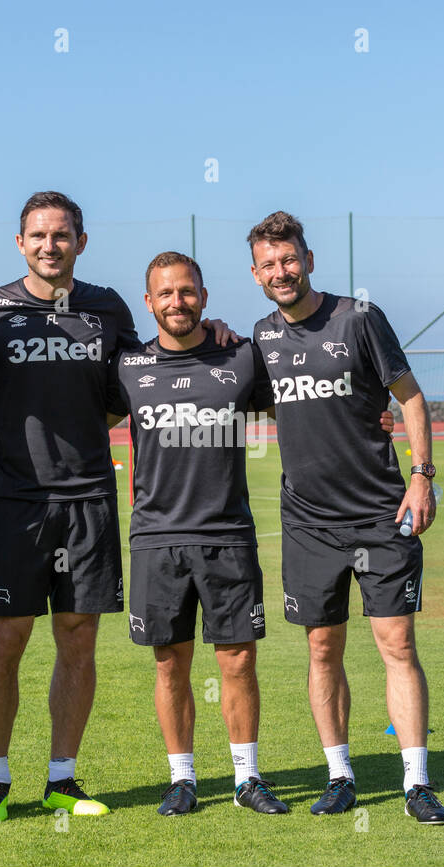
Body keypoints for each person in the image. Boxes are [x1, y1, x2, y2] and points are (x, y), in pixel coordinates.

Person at [0, 193, 233, 821]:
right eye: (37, 236)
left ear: (81, 241)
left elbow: (146, 369)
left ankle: (62, 778)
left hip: (88, 499)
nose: (49, 245)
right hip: (13, 502)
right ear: (19, 243)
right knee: (6, 637)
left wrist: (215, 334)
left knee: (78, 638)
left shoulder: (105, 307)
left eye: (61, 235)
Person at [247, 211, 444, 824]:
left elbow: (410, 397)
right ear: (255, 273)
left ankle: (416, 782)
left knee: (397, 644)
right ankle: (340, 775)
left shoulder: (360, 318)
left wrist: (422, 475)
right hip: (308, 522)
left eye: (290, 260)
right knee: (321, 648)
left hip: (380, 512)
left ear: (309, 260)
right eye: (269, 264)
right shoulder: (259, 337)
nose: (281, 272)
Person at [106, 251, 287, 816]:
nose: (177, 303)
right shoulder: (127, 367)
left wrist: (376, 412)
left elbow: (305, 401)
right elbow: (68, 410)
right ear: (149, 303)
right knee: (170, 664)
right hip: (156, 539)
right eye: (166, 294)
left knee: (238, 662)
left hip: (228, 536)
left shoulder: (241, 356)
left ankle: (246, 778)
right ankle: (181, 778)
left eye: (187, 292)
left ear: (204, 297)